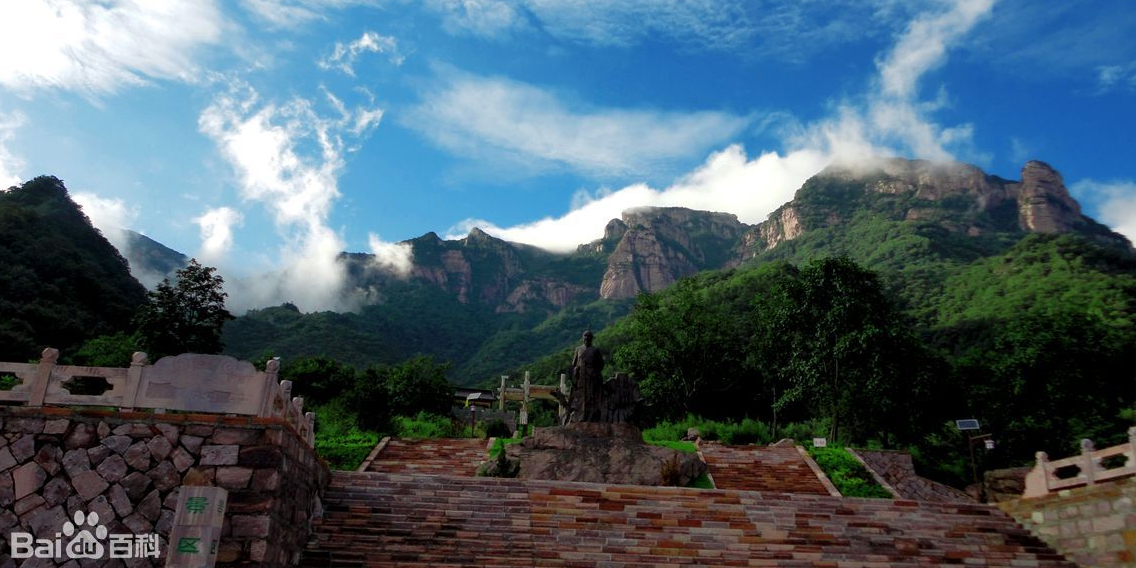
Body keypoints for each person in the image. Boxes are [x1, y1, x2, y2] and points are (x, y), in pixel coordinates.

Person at [568, 330, 604, 423]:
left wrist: (594, 373)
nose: (587, 338)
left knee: (590, 398)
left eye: (589, 336)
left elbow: (600, 365)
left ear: (592, 338)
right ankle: (578, 418)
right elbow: (574, 364)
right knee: (579, 398)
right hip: (580, 378)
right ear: (582, 338)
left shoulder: (595, 350)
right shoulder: (578, 349)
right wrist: (574, 376)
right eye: (585, 336)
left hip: (591, 378)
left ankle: (591, 418)